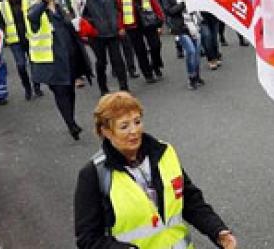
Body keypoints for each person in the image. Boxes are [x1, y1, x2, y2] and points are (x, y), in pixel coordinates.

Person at [74, 92, 237, 249]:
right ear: (106, 132)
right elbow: (88, 239)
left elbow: (189, 200)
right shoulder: (93, 175)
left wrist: (217, 231)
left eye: (137, 122)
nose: (134, 131)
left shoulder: (164, 153)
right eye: (124, 126)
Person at [28, 0, 84, 139]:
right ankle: (70, 124)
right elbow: (32, 17)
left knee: (69, 90)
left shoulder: (59, 6)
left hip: (69, 56)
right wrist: (44, 2)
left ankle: (71, 118)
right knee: (60, 92)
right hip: (52, 61)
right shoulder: (35, 10)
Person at [81, 0, 131, 94]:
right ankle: (103, 88)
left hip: (112, 31)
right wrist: (93, 26)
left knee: (118, 60)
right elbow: (81, 15)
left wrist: (120, 26)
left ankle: (124, 86)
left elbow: (116, 9)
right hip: (96, 35)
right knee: (101, 62)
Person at [115, 0, 166, 83]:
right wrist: (120, 26)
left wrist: (160, 18)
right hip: (132, 24)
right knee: (140, 50)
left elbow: (153, 1)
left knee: (155, 45)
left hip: (148, 20)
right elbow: (118, 10)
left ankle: (156, 65)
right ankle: (148, 73)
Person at [0, 0, 44, 100]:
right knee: (21, 66)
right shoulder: (1, 6)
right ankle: (27, 88)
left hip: (30, 37)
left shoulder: (29, 1)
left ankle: (36, 86)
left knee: (34, 64)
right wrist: (3, 36)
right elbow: (0, 24)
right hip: (15, 41)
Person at [161, 0, 205, 90]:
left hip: (194, 25)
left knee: (196, 53)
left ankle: (197, 75)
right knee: (190, 51)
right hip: (180, 27)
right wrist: (184, 3)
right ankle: (191, 77)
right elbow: (169, 11)